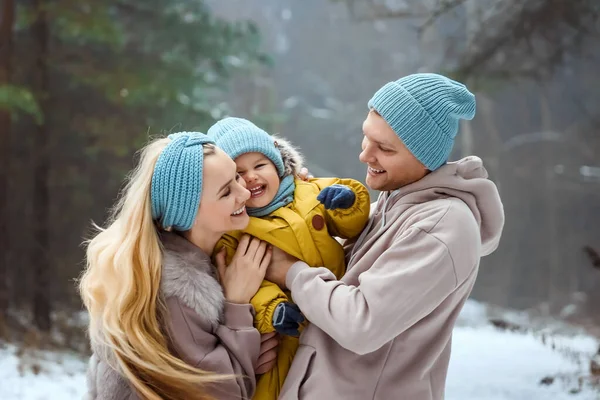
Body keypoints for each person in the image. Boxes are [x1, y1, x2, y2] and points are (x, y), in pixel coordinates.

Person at [266, 73, 505, 399]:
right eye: (367, 137)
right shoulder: (394, 204)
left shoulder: (440, 227)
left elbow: (360, 323)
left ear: (426, 156)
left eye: (385, 148)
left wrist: (291, 272)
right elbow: (339, 276)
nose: (365, 155)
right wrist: (296, 202)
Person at [79, 131, 278, 400]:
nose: (244, 192)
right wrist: (237, 310)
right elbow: (223, 394)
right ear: (188, 213)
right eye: (226, 192)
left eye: (236, 177)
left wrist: (291, 180)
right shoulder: (176, 293)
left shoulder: (200, 250)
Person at [207, 117, 371, 400]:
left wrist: (347, 203)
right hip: (288, 327)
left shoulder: (307, 191)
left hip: (336, 302)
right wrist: (274, 310)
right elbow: (248, 284)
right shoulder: (237, 229)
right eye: (238, 174)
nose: (251, 177)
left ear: (277, 165)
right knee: (280, 384)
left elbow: (351, 225)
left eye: (260, 166)